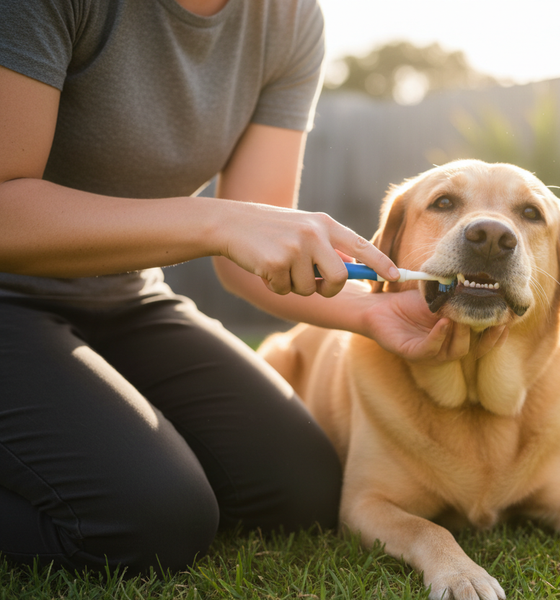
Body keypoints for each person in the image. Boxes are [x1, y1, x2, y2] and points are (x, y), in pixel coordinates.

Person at [0, 0, 505, 575]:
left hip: (124, 297)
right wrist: (218, 221)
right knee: (153, 520)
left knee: (298, 490)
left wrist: (369, 315)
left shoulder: (286, 18)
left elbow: (248, 264)